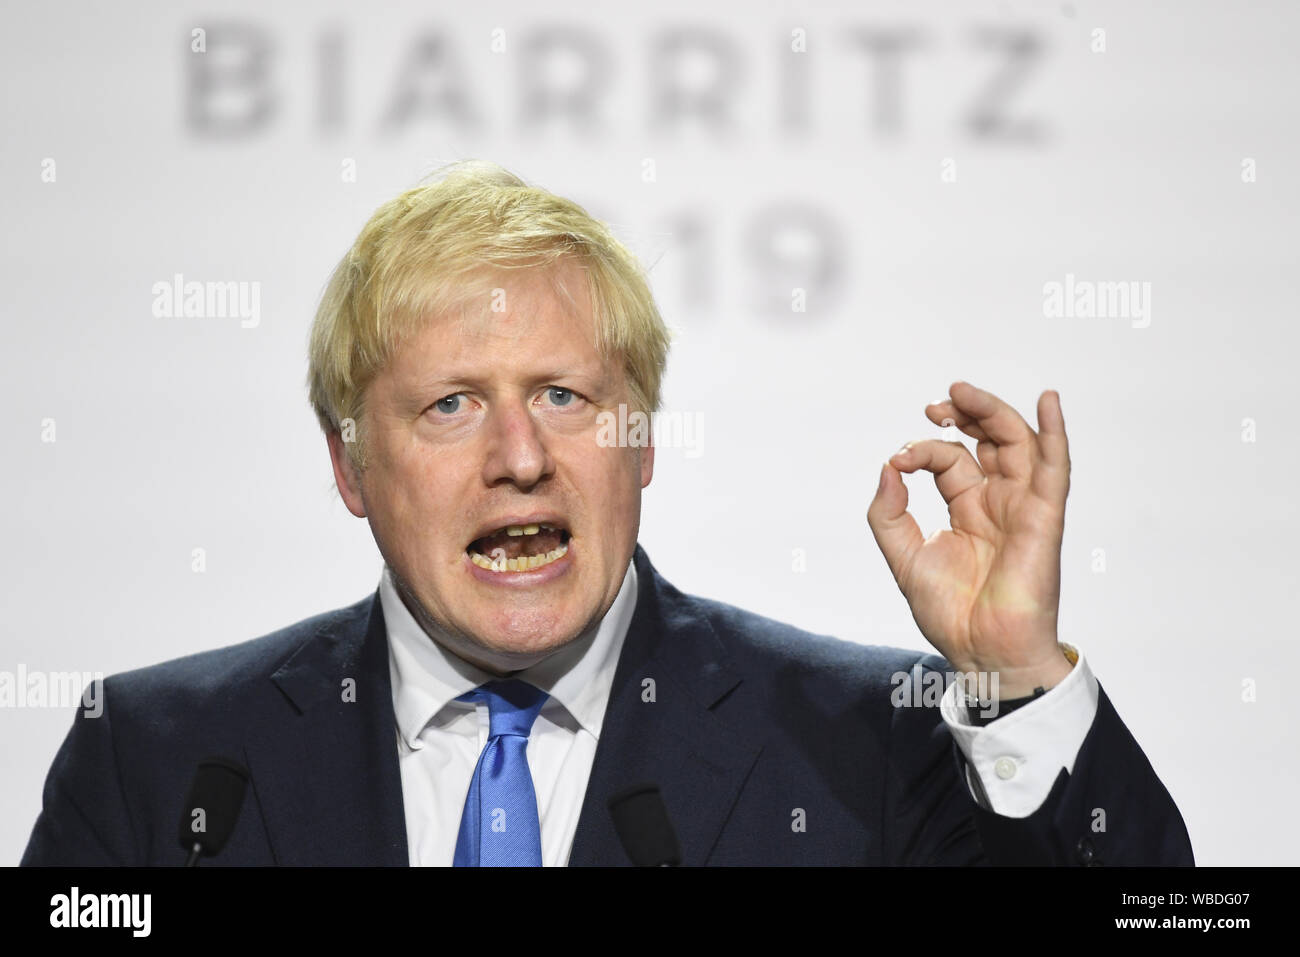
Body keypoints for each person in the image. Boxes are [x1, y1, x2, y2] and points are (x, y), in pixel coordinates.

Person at [21, 161, 1193, 866]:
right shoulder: (157, 767)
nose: (520, 458)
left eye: (566, 397)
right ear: (349, 470)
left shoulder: (869, 748)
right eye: (448, 406)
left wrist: (1019, 677)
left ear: (640, 445)